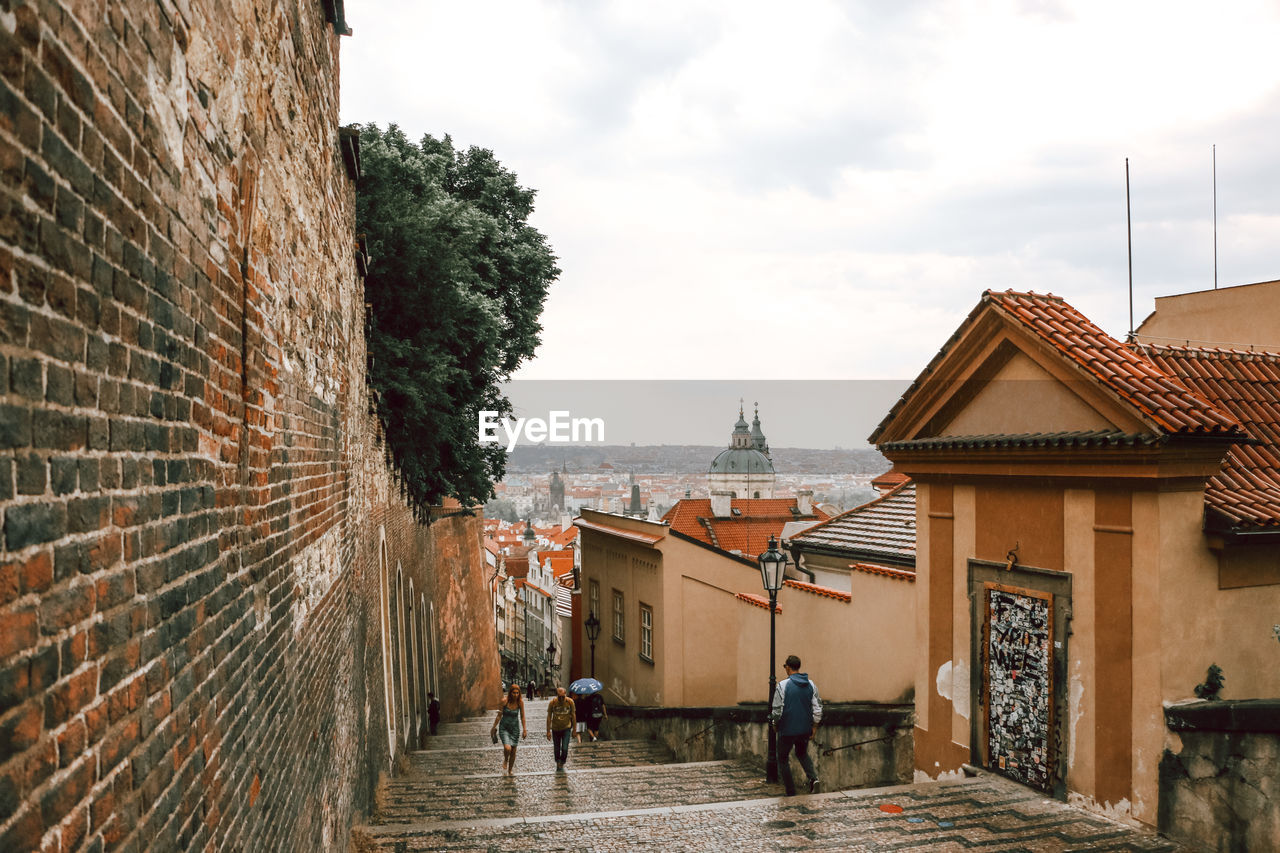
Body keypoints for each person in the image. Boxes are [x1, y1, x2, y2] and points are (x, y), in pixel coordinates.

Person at [770, 653, 823, 796]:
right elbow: (818, 708)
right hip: (804, 728)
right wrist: (814, 726)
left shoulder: (782, 685)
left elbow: (777, 709)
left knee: (782, 758)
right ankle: (814, 779)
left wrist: (775, 724)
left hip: (787, 729)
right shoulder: (811, 684)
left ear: (787, 667)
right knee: (801, 753)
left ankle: (791, 791)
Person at [491, 683, 528, 776]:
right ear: (510, 693)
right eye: (514, 693)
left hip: (515, 728)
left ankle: (510, 770)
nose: (515, 695)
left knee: (514, 750)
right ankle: (505, 759)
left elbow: (522, 716)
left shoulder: (520, 702)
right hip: (504, 727)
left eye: (517, 693)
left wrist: (524, 729)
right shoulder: (504, 701)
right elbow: (499, 715)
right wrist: (493, 727)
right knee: (507, 748)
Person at [545, 686, 577, 770]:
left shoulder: (570, 702)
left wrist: (574, 730)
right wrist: (548, 731)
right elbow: (549, 717)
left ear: (565, 694)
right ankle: (558, 761)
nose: (562, 698)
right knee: (556, 748)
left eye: (563, 696)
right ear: (557, 695)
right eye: (560, 697)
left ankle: (562, 761)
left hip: (566, 728)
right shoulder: (553, 702)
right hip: (555, 728)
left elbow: (573, 715)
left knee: (565, 748)